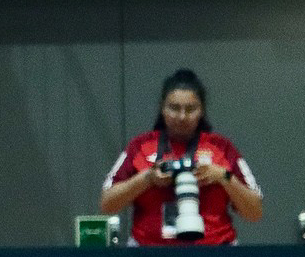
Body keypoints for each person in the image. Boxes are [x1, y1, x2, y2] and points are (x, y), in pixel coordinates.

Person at [99, 69, 262, 246]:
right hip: (149, 254)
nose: (182, 117)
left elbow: (255, 212)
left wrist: (222, 176)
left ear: (202, 110)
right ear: (162, 108)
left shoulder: (221, 147)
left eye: (191, 109)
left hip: (216, 252)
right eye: (174, 108)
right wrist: (147, 178)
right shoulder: (140, 146)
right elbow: (107, 204)